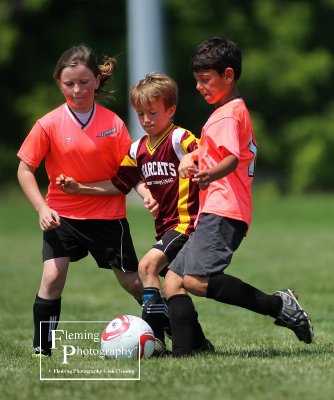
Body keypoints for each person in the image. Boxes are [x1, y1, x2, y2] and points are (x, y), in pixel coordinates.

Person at [163, 36, 314, 356]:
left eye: (206, 80)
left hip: (225, 210)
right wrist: (192, 159)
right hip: (214, 210)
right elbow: (212, 152)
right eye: (197, 81)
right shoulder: (224, 113)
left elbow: (230, 158)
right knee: (173, 281)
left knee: (195, 281)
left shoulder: (229, 114)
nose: (199, 87)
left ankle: (279, 306)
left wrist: (209, 173)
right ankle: (185, 354)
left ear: (228, 76)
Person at [56, 72, 214, 356]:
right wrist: (80, 187)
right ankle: (199, 344)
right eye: (140, 114)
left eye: (152, 112)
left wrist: (191, 158)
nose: (146, 120)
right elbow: (119, 183)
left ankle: (156, 343)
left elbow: (207, 150)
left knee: (146, 267)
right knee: (174, 285)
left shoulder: (179, 137)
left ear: (171, 110)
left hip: (187, 224)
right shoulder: (137, 149)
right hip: (165, 228)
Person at [17, 44, 157, 357]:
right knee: (52, 276)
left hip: (108, 218)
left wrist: (146, 193)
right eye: (69, 84)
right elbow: (25, 169)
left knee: (135, 284)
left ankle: (176, 332)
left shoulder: (113, 123)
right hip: (62, 217)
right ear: (59, 83)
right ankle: (43, 348)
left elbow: (130, 170)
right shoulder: (48, 124)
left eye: (83, 82)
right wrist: (42, 207)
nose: (77, 90)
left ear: (96, 80)